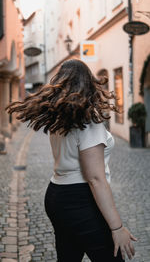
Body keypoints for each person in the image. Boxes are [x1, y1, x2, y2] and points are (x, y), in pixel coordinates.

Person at [6, 59, 137, 262]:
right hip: (81, 199)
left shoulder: (60, 118)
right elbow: (95, 178)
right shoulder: (88, 121)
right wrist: (117, 228)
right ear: (88, 84)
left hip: (57, 195)